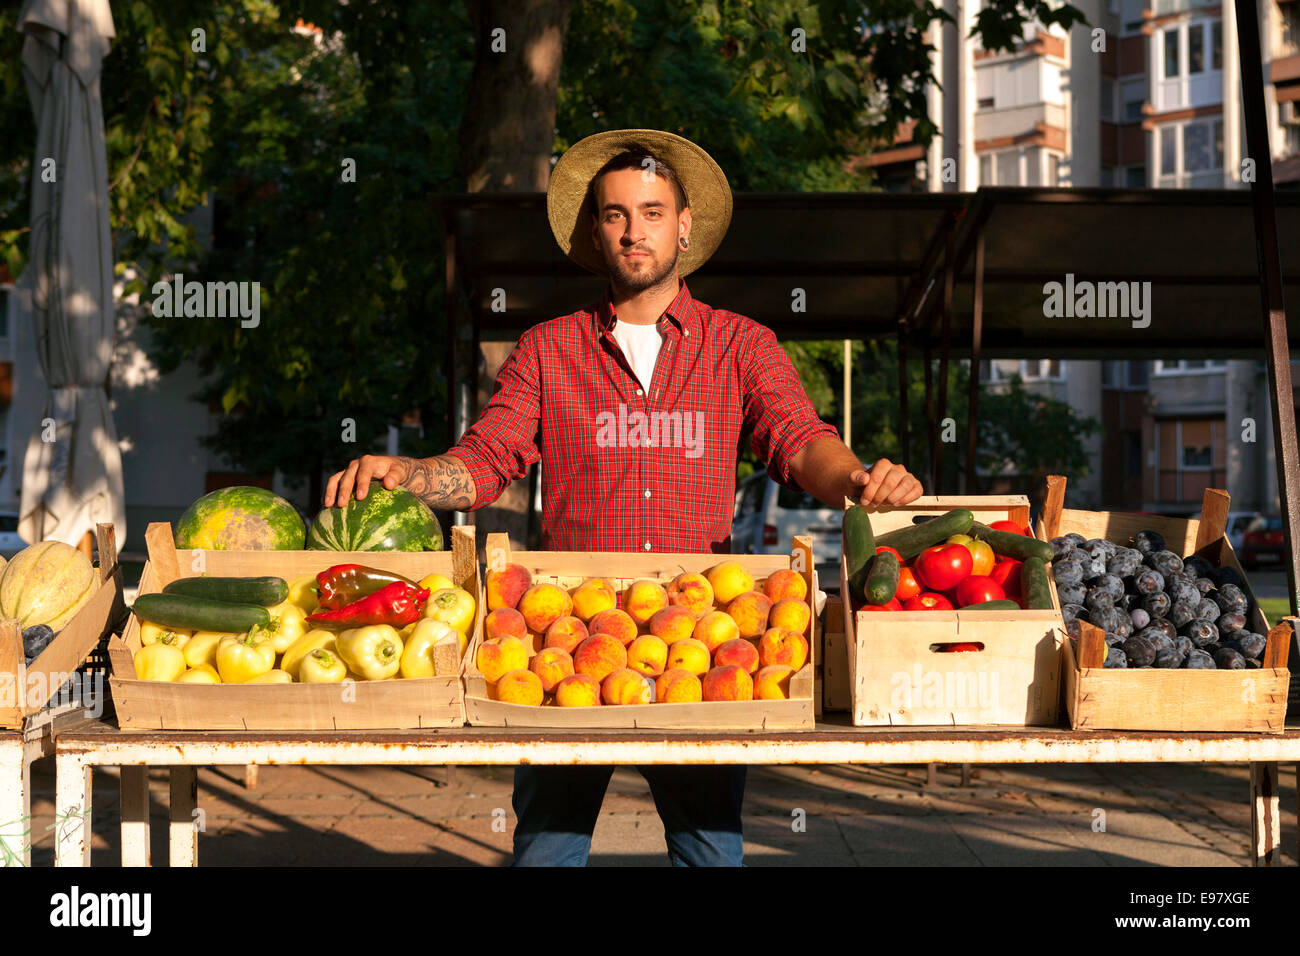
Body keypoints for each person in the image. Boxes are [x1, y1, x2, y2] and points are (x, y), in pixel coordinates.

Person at [325, 128, 925, 866]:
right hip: (562, 632)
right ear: (595, 231)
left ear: (684, 226)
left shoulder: (740, 345)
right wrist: (415, 474)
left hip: (705, 634)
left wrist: (860, 482)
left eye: (650, 211)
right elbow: (488, 458)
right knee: (547, 849)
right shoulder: (549, 348)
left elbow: (801, 442)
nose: (633, 230)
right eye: (614, 214)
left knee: (709, 849)